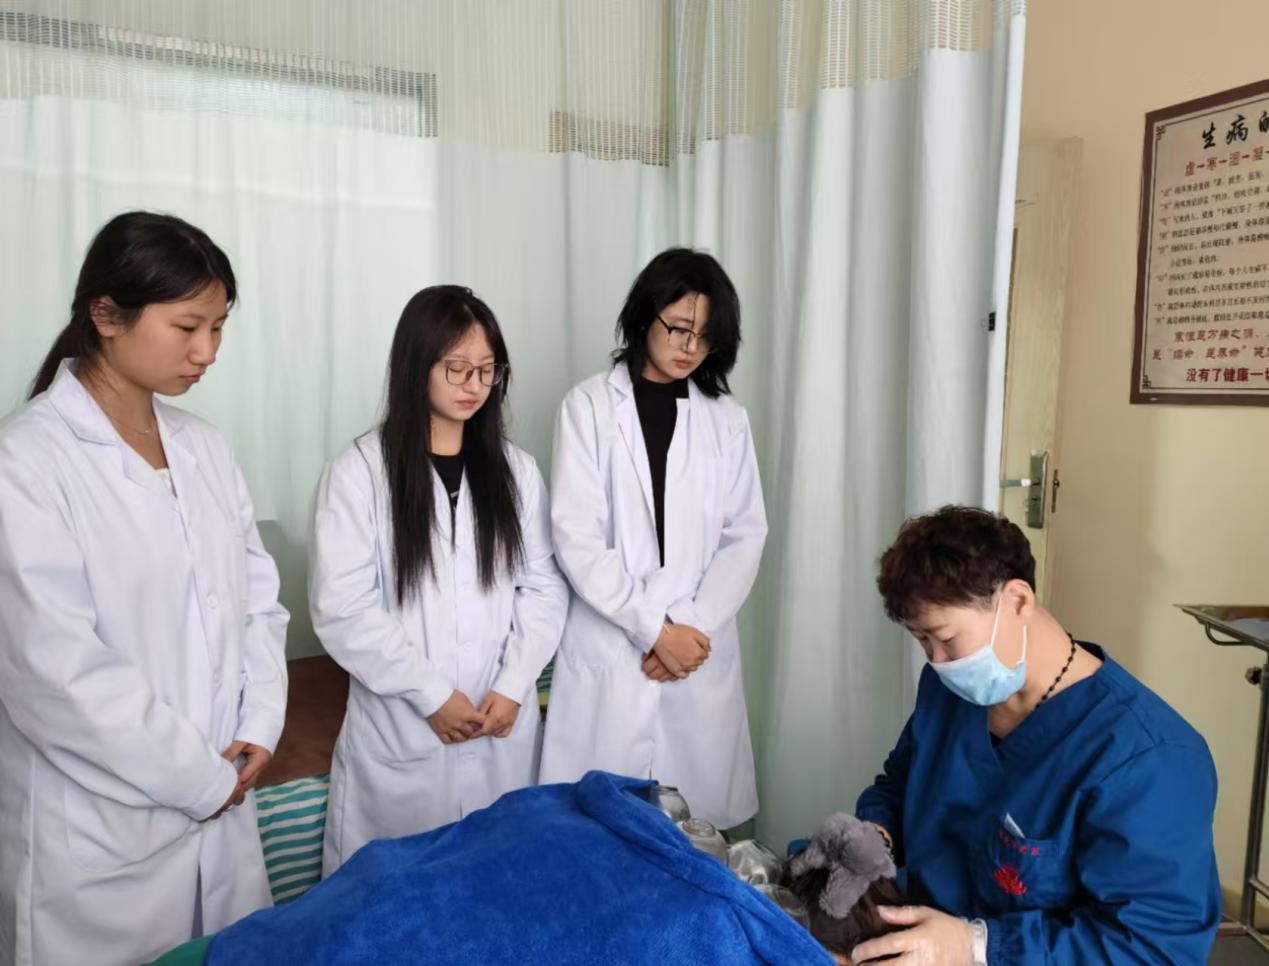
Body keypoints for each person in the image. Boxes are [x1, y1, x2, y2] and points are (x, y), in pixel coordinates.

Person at [0, 211, 289, 966]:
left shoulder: (205, 449)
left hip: (225, 795)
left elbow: (258, 602)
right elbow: (54, 673)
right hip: (103, 840)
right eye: (187, 326)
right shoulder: (25, 463)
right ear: (106, 315)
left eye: (219, 328)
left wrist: (260, 722)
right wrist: (200, 779)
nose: (207, 352)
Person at [849, 505, 1221, 964]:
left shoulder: (1148, 758)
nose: (937, 661)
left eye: (945, 637)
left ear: (1018, 601)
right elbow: (903, 783)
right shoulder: (949, 692)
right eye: (921, 640)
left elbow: (1153, 947)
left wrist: (975, 945)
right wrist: (875, 837)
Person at [310, 285, 568, 874]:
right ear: (416, 364)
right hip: (403, 736)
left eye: (487, 370)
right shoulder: (358, 475)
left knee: (500, 890)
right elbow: (343, 608)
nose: (474, 384)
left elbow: (544, 587)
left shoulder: (517, 472)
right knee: (393, 900)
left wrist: (514, 684)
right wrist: (432, 696)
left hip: (499, 726)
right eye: (456, 367)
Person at [539, 247, 768, 830]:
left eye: (706, 336)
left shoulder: (727, 419)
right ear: (646, 314)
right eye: (680, 328)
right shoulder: (588, 407)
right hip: (616, 646)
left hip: (696, 651)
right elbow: (576, 536)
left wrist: (687, 629)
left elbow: (745, 534)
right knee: (598, 837)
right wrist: (656, 631)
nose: (691, 347)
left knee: (697, 838)